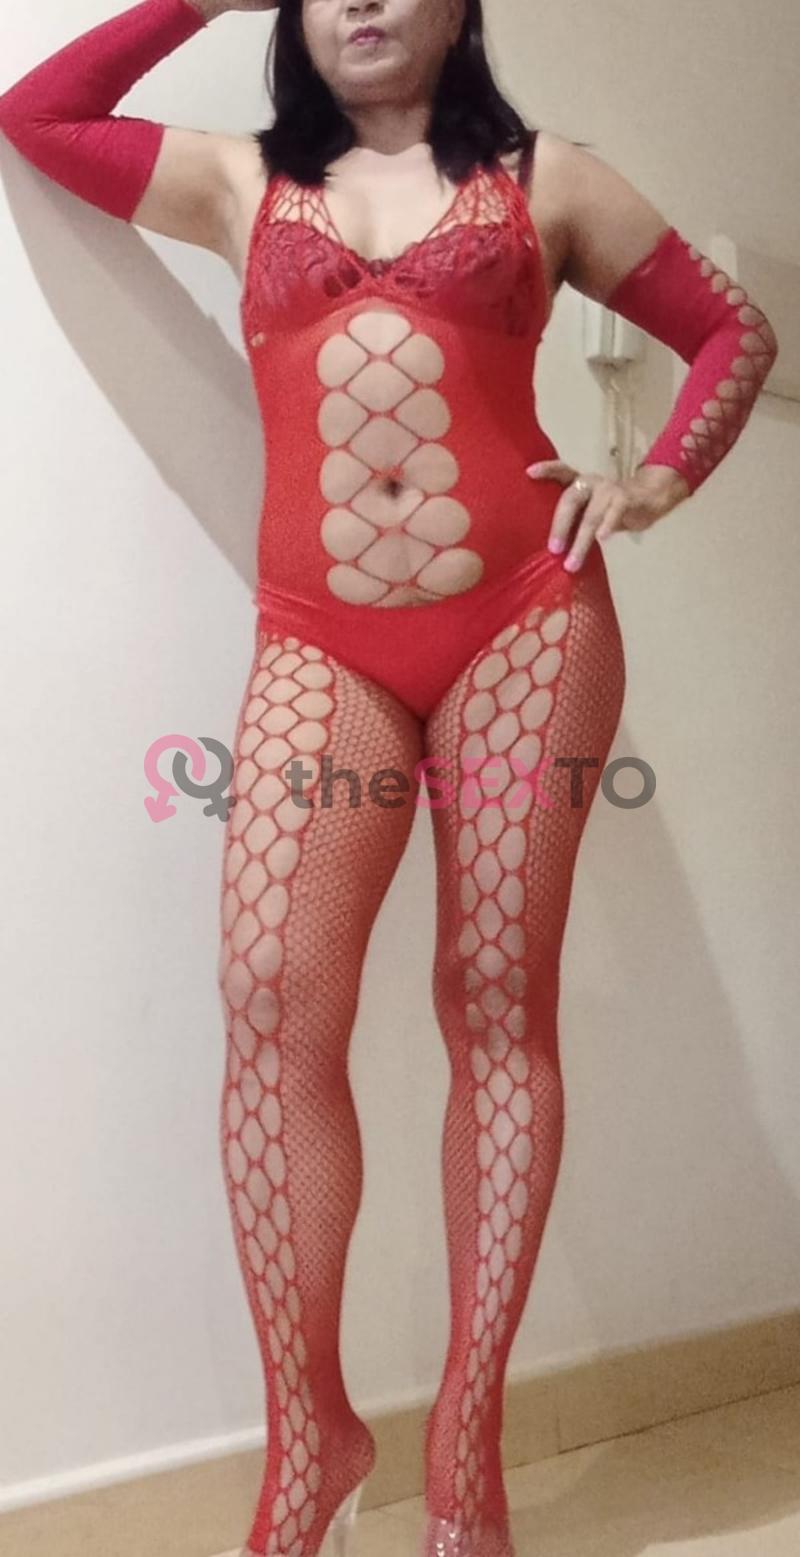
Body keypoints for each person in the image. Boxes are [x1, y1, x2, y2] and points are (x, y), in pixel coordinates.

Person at [0, 1, 779, 1554]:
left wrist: (654, 480)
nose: (360, 0)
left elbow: (734, 333)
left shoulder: (551, 178)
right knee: (270, 998)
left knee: (497, 1005)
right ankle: (314, 1443)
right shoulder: (237, 180)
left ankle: (470, 1451)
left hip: (528, 630)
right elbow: (38, 117)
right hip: (322, 645)